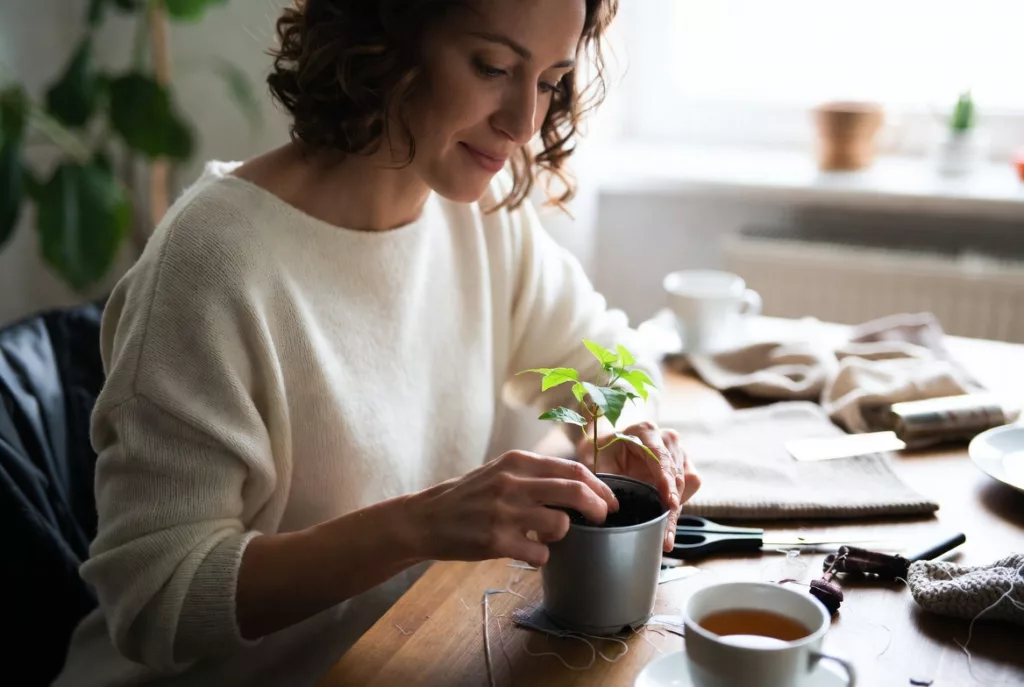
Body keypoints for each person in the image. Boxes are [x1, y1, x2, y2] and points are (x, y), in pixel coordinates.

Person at [55, 1, 701, 685]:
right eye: (492, 66)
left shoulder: (479, 209)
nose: (523, 123)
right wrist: (422, 525)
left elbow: (596, 353)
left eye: (548, 80)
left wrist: (628, 434)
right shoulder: (213, 260)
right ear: (384, 38)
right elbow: (154, 601)